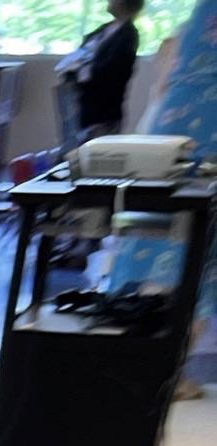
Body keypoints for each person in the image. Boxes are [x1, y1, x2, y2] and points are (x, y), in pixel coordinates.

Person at [109, 0, 217, 397]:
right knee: (198, 253)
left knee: (170, 246)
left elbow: (167, 77)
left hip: (175, 133)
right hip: (205, 135)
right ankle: (165, 370)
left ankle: (151, 363)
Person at [57, 0, 145, 144]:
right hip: (80, 109)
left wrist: (83, 72)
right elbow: (80, 55)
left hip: (103, 115)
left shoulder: (128, 36)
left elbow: (111, 72)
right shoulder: (103, 30)